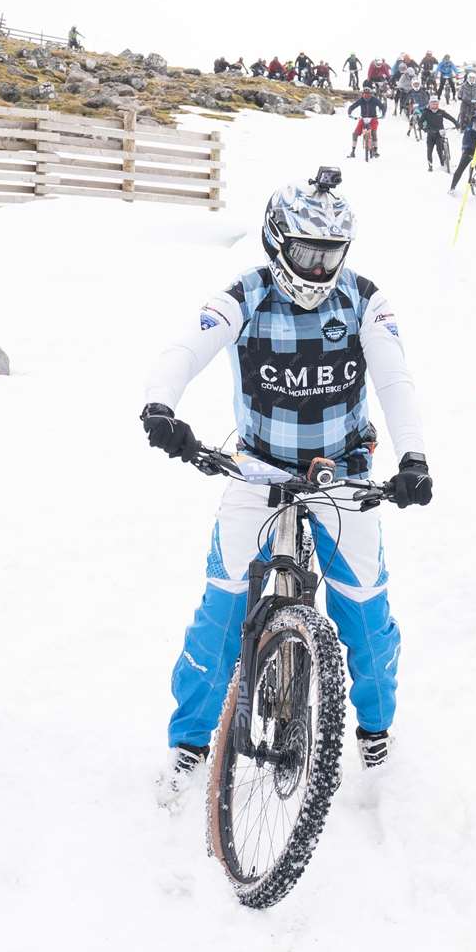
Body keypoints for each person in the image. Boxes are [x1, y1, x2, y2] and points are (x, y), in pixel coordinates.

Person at [144, 175, 432, 803]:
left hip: (343, 476)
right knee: (221, 610)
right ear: (278, 242)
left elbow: (393, 376)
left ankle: (376, 731)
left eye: (331, 253)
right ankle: (190, 743)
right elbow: (187, 347)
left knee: (365, 611)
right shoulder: (243, 294)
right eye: (306, 252)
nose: (319, 266)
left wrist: (413, 456)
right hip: (257, 472)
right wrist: (160, 406)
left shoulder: (364, 298)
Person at [419, 97, 459, 171]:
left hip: (439, 133)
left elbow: (450, 117)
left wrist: (456, 123)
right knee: (429, 150)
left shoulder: (441, 112)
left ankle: (442, 163)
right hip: (430, 133)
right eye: (432, 104)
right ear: (429, 105)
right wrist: (424, 128)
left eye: (436, 104)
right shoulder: (426, 112)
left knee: (439, 149)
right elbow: (420, 122)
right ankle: (430, 166)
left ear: (438, 104)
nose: (434, 106)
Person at [347, 84, 386, 157]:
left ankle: (375, 150)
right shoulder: (361, 100)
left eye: (368, 94)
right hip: (363, 119)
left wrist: (383, 113)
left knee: (374, 133)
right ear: (362, 94)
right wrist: (349, 111)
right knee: (355, 133)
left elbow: (382, 106)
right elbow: (353, 106)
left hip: (373, 119)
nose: (366, 96)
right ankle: (353, 151)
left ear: (371, 94)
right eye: (365, 94)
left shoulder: (374, 100)